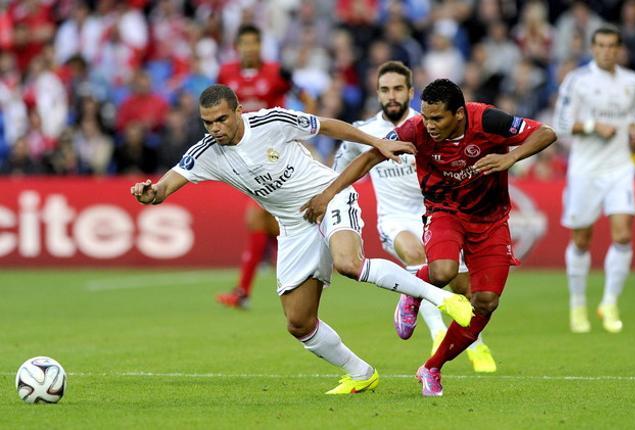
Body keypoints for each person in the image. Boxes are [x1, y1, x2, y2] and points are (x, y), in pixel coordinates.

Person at [130, 84, 473, 394]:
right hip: (294, 226)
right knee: (298, 322)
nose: (215, 128)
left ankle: (440, 299)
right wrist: (151, 192)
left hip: (329, 196)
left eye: (221, 119)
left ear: (238, 111)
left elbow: (327, 125)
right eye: (208, 123)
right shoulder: (207, 151)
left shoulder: (271, 122)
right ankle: (360, 373)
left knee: (348, 263)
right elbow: (166, 185)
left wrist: (376, 142)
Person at [301, 79, 556, 396]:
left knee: (486, 302)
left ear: (459, 115)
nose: (430, 125)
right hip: (445, 211)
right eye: (426, 116)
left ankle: (432, 367)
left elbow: (546, 132)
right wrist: (327, 195)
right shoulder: (415, 129)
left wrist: (510, 157)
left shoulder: (488, 119)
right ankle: (412, 292)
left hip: (491, 220)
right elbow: (369, 158)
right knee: (443, 271)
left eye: (438, 119)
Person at [333, 61, 496, 372]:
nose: (391, 96)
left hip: (438, 214)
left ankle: (477, 343)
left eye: (397, 89)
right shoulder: (364, 132)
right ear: (377, 93)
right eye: (384, 90)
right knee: (416, 253)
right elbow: (339, 172)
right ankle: (436, 335)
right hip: (394, 219)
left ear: (410, 91)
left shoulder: (433, 125)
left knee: (466, 289)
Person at [215, 24, 316, 309]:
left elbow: (307, 97)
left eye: (254, 43)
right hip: (244, 155)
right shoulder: (226, 74)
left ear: (261, 46)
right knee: (267, 222)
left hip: (274, 152)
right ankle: (251, 288)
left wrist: (299, 126)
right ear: (237, 47)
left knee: (258, 219)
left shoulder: (276, 72)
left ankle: (243, 291)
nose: (249, 48)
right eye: (244, 43)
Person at [553, 26, 635, 334]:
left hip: (620, 167)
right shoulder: (577, 81)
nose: (607, 50)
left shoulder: (632, 81)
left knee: (622, 235)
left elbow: (632, 115)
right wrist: (593, 125)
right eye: (601, 45)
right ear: (593, 48)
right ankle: (577, 304)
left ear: (619, 49)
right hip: (586, 170)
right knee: (581, 239)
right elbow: (561, 124)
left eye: (612, 46)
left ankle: (609, 301)